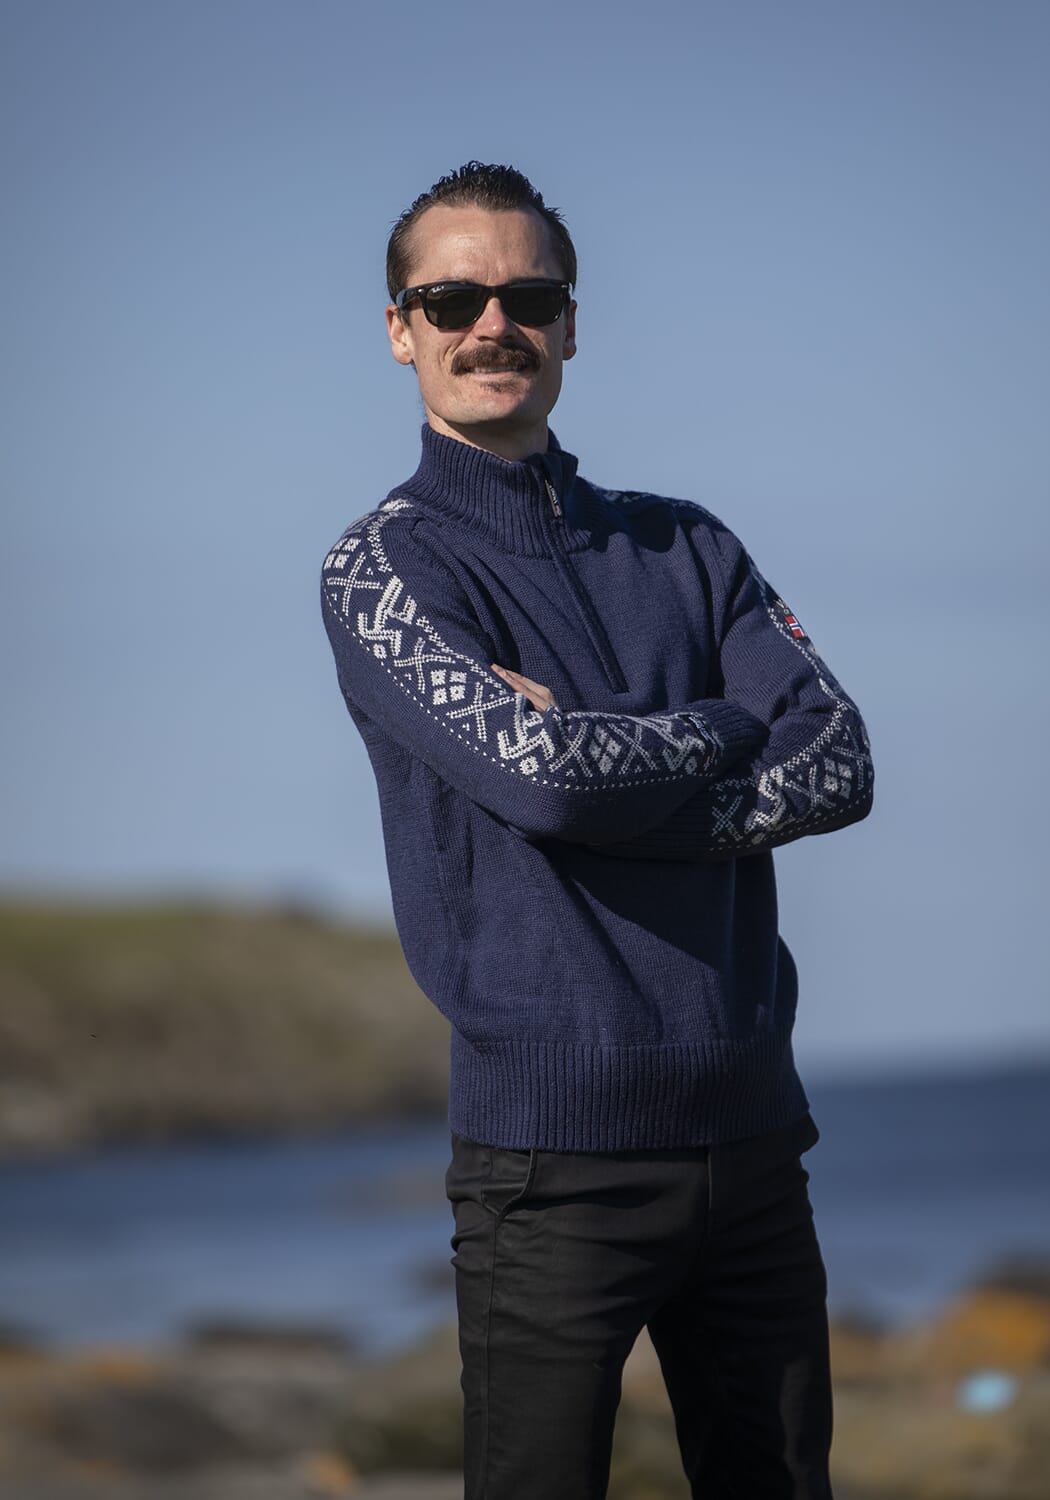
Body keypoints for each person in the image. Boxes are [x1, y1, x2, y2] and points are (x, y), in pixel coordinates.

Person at [321, 161, 873, 1500]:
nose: (490, 324)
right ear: (399, 328)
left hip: (754, 1138)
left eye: (528, 296)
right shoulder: (383, 570)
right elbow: (550, 784)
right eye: (450, 299)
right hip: (550, 1167)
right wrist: (727, 723)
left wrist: (618, 756)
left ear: (570, 323)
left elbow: (842, 759)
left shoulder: (691, 547)